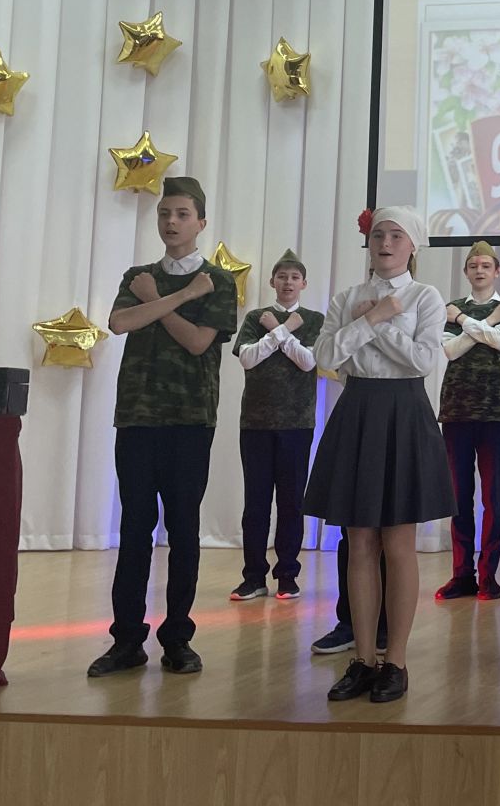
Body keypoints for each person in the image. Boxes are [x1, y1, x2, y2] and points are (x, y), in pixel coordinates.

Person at [87, 176, 239, 678]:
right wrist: (176, 296)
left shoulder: (217, 281)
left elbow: (198, 343)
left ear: (200, 222)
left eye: (181, 214)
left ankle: (177, 638)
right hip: (136, 417)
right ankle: (127, 640)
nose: (171, 222)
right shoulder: (139, 276)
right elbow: (120, 324)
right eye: (164, 214)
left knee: (184, 529)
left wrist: (161, 301)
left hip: (190, 419)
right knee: (134, 527)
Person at [305, 206, 454, 704]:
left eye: (396, 235)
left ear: (413, 245)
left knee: (398, 542)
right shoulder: (347, 298)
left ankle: (397, 661)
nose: (385, 243)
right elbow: (326, 357)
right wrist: (372, 317)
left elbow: (422, 361)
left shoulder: (425, 297)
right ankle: (364, 659)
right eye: (378, 235)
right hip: (358, 410)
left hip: (403, 411)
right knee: (359, 540)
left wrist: (378, 323)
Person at [229, 249, 323, 603]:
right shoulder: (257, 317)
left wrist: (282, 331)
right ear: (272, 281)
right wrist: (279, 330)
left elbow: (308, 362)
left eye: (294, 277)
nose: (288, 282)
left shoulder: (313, 319)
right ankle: (253, 577)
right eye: (282, 276)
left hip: (297, 423)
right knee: (255, 503)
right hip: (255, 423)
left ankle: (287, 575)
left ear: (304, 284)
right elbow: (248, 358)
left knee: (291, 502)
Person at [435, 241, 500, 602]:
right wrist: (481, 321)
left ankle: (488, 575)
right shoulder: (452, 308)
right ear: (466, 271)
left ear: (497, 270)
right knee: (459, 498)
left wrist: (466, 322)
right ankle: (461, 575)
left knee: (492, 498)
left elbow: (499, 342)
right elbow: (451, 350)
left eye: (486, 265)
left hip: (494, 412)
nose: (480, 271)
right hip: (456, 412)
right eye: (474, 266)